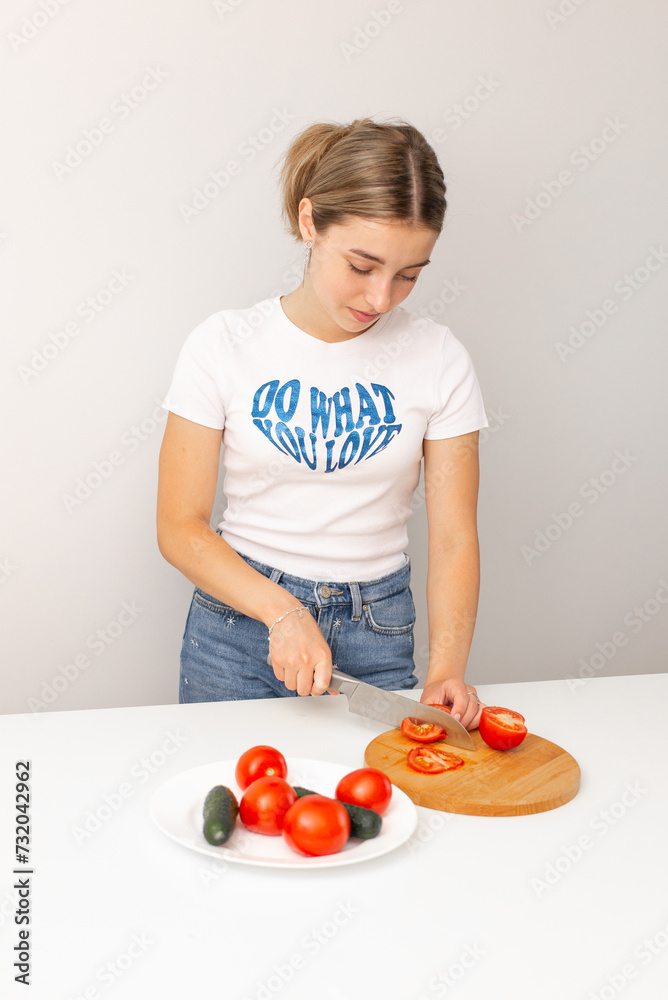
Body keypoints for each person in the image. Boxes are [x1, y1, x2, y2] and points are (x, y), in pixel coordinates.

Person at [157, 116, 487, 729]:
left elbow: (451, 539)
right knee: (234, 811)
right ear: (310, 223)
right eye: (362, 267)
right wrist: (281, 613)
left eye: (409, 274)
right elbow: (179, 526)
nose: (381, 299)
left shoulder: (441, 359)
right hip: (238, 625)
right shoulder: (223, 344)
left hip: (378, 629)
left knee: (370, 815)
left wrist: (445, 669)